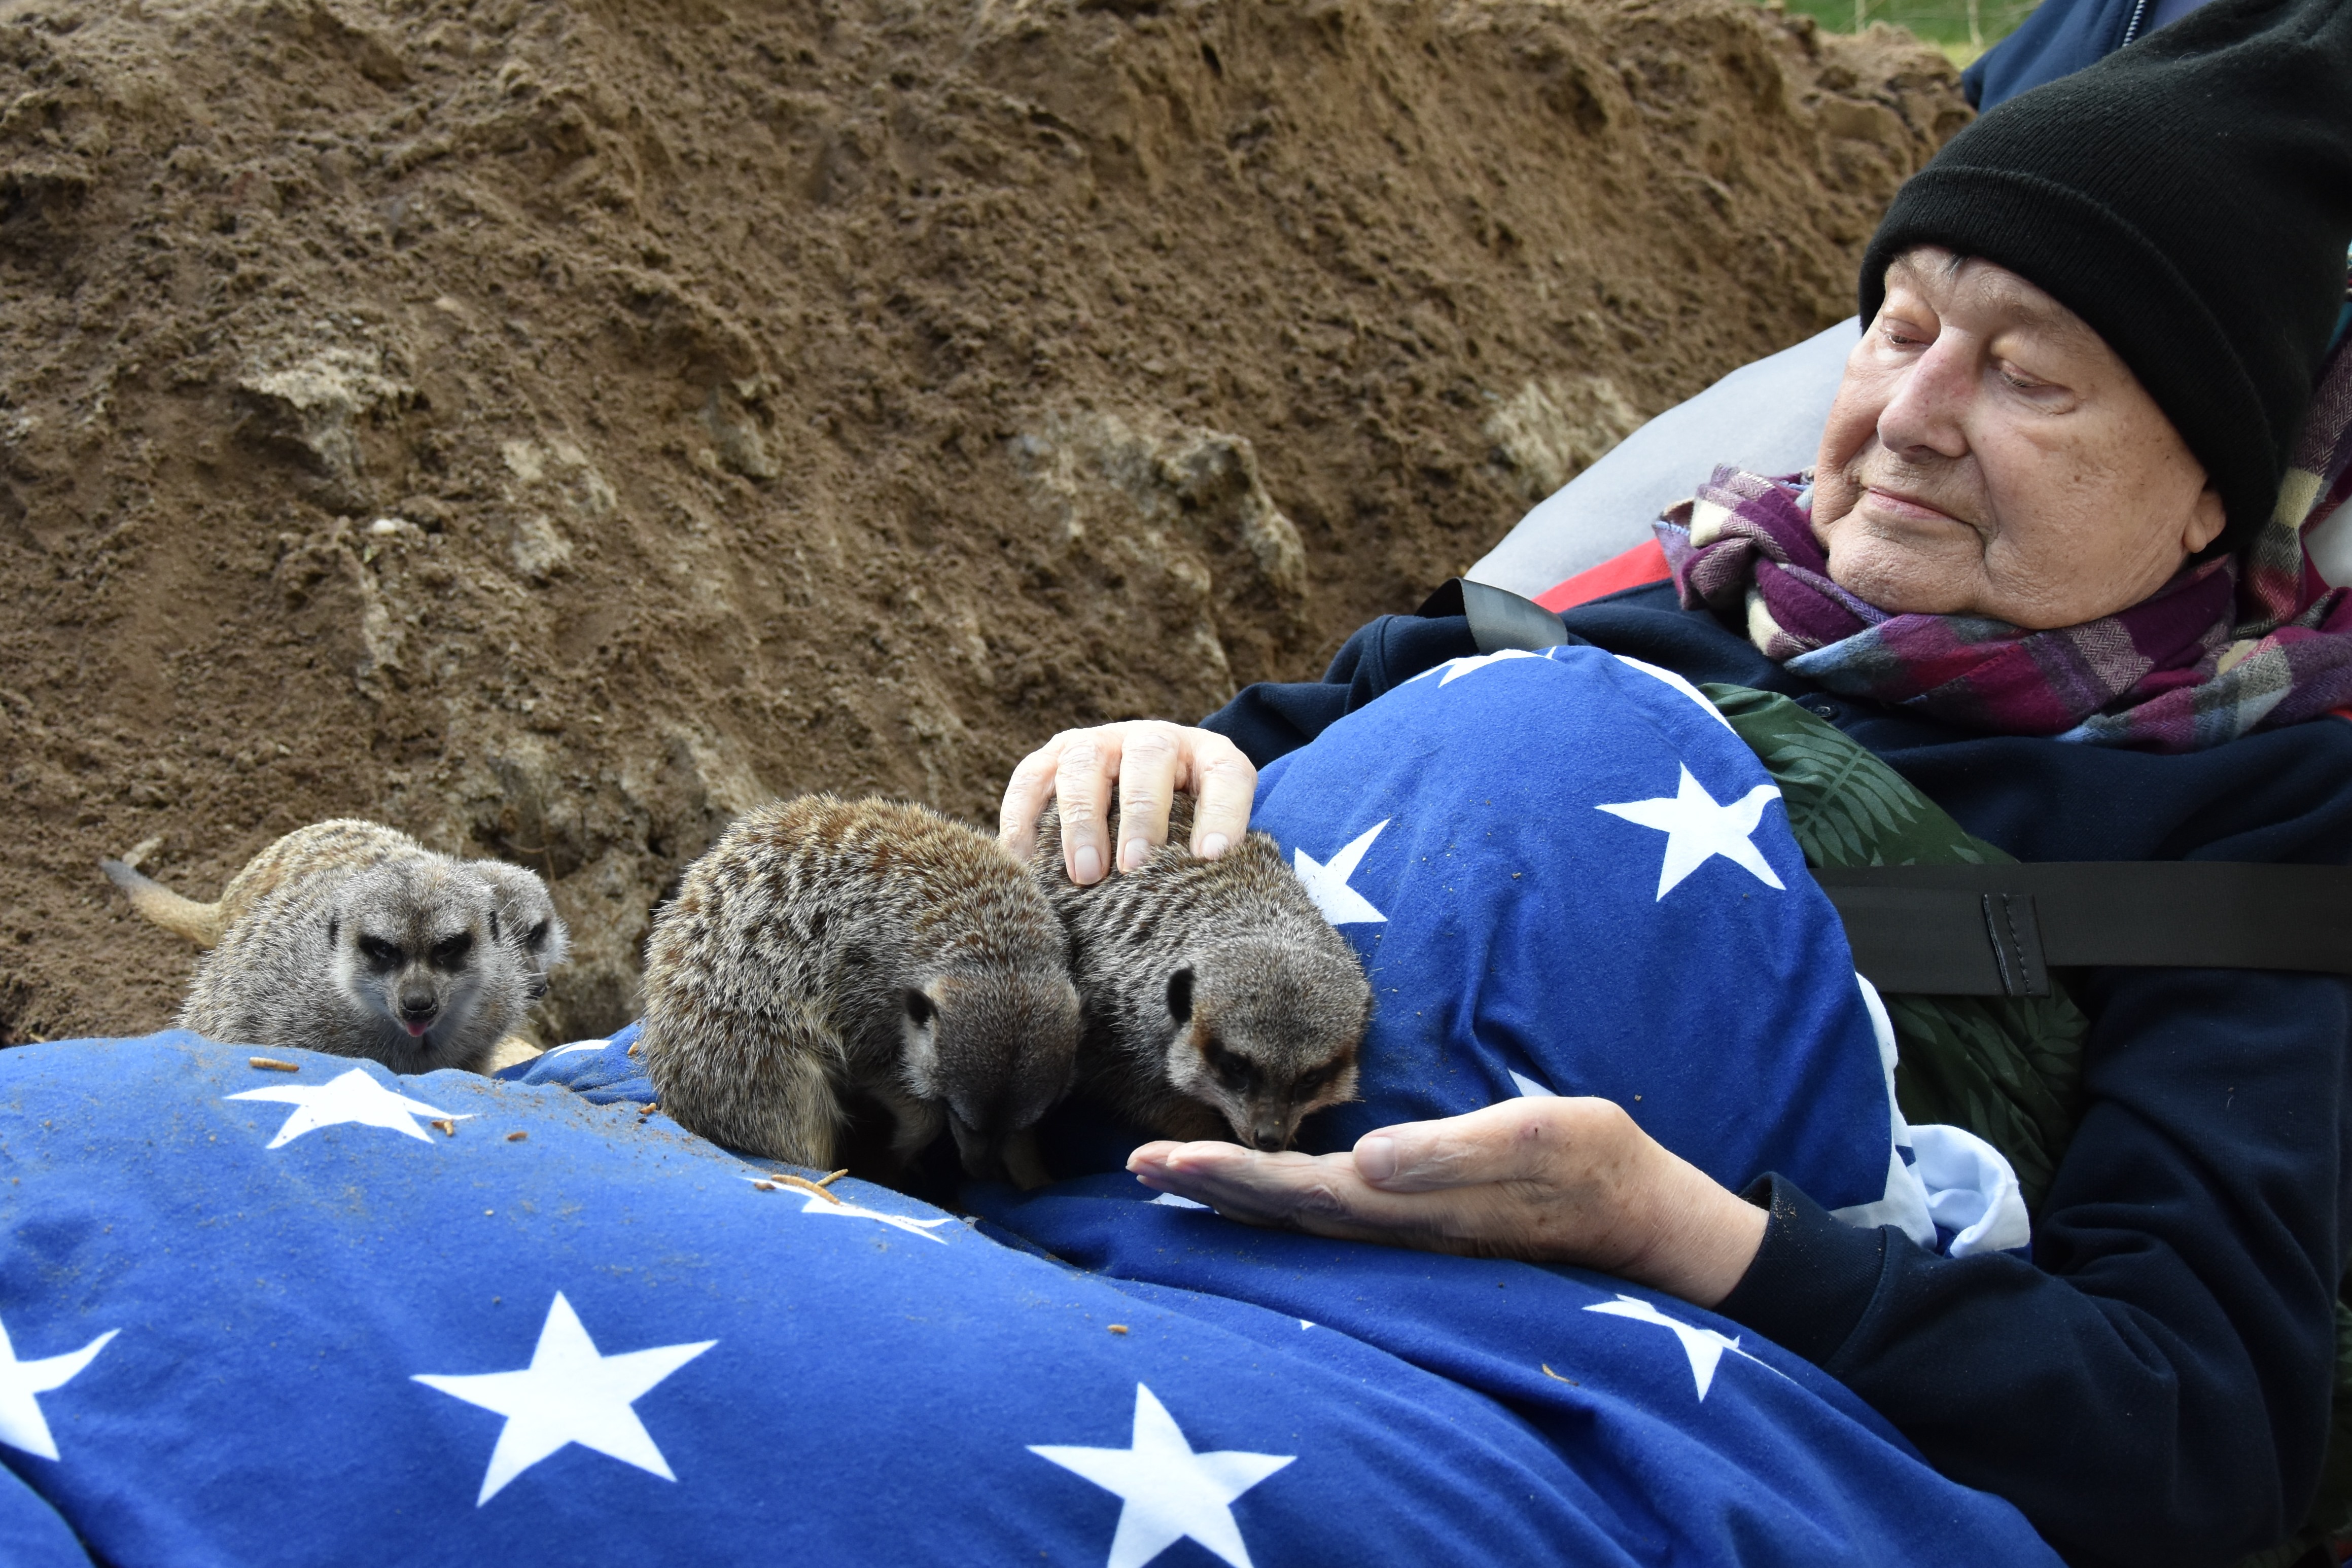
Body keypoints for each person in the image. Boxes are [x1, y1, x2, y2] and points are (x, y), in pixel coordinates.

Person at [997, 1, 2352, 1562]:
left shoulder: (2242, 827)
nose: (1910, 419)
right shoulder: (1628, 605)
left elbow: (2196, 1435)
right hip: (1082, 1272)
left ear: (2203, 500)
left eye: (2029, 380)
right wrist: (1149, 769)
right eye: (1902, 332)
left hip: (1467, 1436)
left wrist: (1684, 1236)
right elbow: (1199, 802)